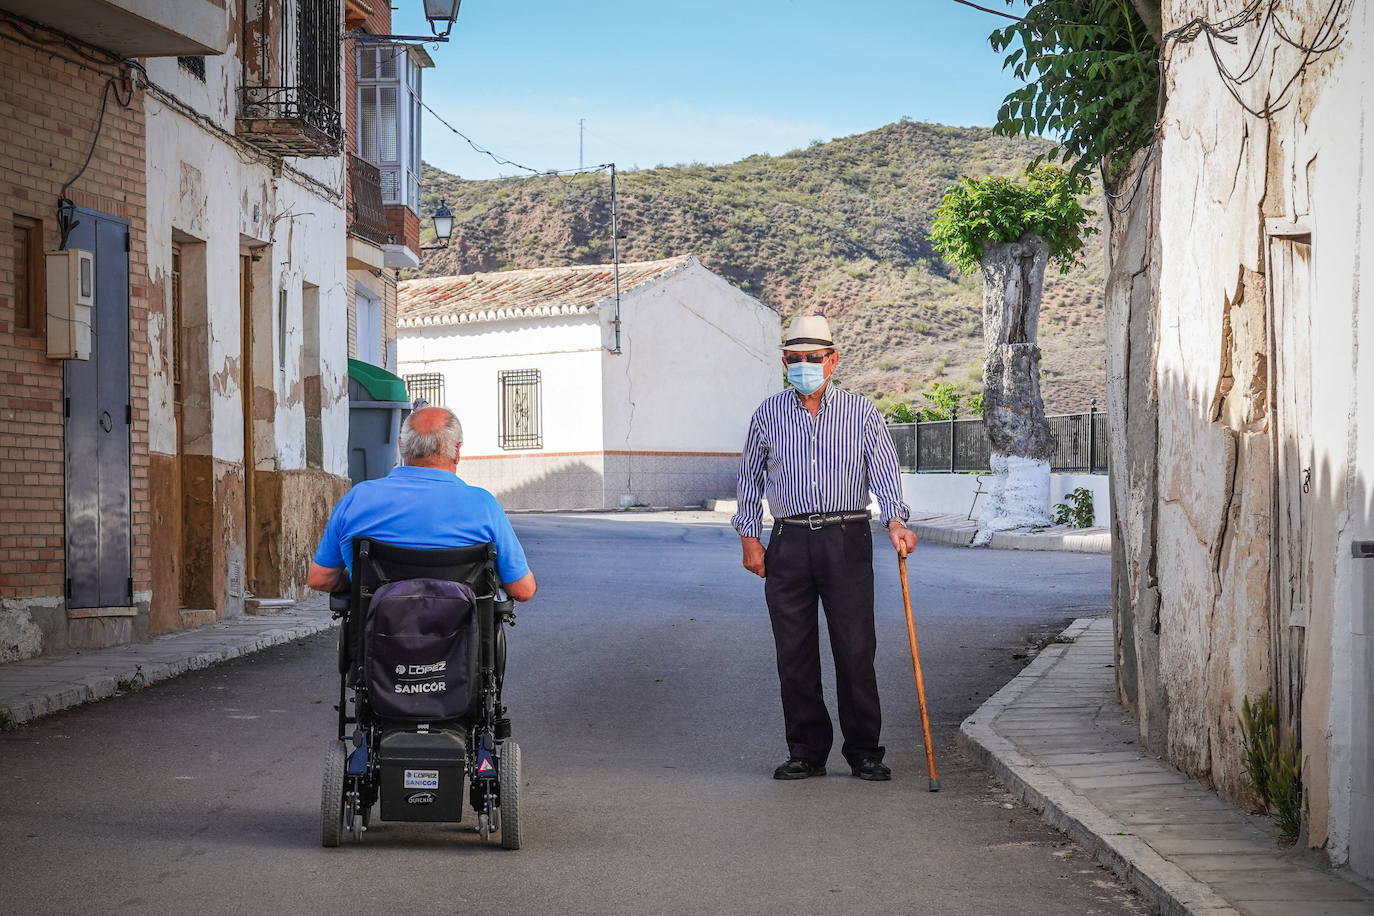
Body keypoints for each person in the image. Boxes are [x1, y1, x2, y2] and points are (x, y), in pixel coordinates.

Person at [732, 314, 916, 781]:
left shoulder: (862, 412)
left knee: (855, 648)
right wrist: (749, 537)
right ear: (784, 363)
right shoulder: (768, 414)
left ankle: (865, 751)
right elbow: (750, 479)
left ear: (832, 361)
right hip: (788, 539)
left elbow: (884, 473)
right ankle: (807, 751)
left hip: (846, 536)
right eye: (794, 360)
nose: (803, 366)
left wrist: (896, 520)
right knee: (793, 652)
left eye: (813, 358)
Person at [307, 406, 536, 601]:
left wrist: (352, 585)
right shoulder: (484, 505)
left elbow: (320, 578)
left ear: (401, 446)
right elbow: (523, 590)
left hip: (378, 640)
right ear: (456, 451)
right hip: (461, 644)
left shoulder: (357, 499)